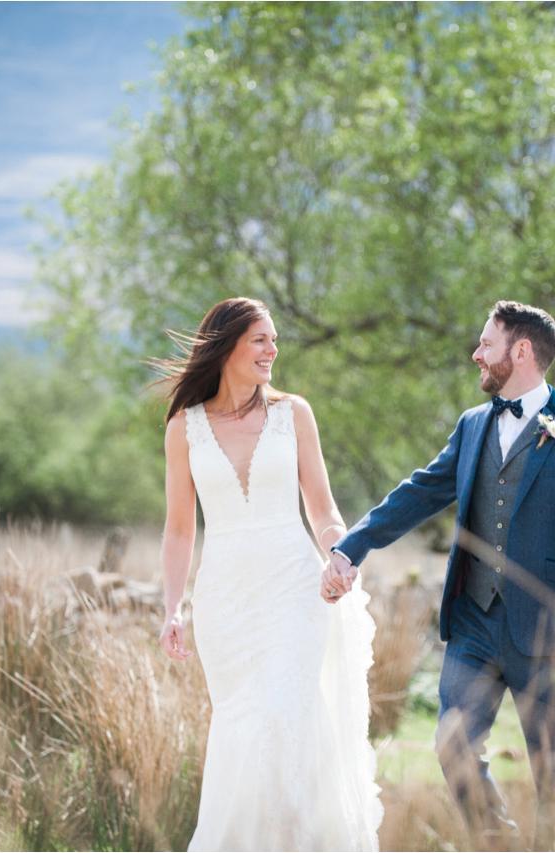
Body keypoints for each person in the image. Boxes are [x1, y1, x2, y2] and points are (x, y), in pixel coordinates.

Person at [324, 300, 555, 848]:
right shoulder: (471, 426)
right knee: (452, 745)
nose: (476, 354)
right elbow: (419, 493)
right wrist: (352, 547)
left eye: (486, 344)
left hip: (545, 628)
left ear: (522, 351)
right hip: (473, 621)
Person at [155, 297, 382, 851]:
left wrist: (340, 553)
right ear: (227, 344)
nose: (272, 350)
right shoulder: (183, 429)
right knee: (242, 727)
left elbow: (324, 510)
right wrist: (171, 607)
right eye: (261, 339)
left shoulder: (294, 413)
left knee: (286, 718)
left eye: (274, 340)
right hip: (225, 601)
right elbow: (180, 529)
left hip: (293, 590)